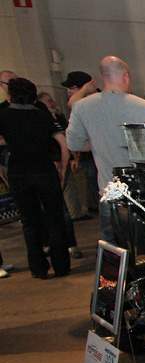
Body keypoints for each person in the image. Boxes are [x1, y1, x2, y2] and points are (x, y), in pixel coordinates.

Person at [66, 56, 145, 243]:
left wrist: (98, 143)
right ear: (126, 77)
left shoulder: (82, 107)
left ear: (102, 77)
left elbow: (74, 145)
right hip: (143, 190)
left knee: (114, 244)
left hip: (109, 189)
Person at [0, 78, 70, 279]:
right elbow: (63, 144)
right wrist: (63, 167)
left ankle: (38, 268)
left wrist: (2, 169)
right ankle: (61, 266)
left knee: (29, 222)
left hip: (18, 172)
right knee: (55, 220)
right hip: (45, 170)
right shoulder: (43, 115)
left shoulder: (3, 115)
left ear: (10, 95)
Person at [38, 92, 85, 259]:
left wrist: (65, 164)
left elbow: (66, 144)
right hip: (50, 169)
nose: (52, 103)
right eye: (48, 101)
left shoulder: (55, 119)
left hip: (55, 168)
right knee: (52, 211)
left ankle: (70, 245)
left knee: (63, 210)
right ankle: (51, 245)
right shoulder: (44, 120)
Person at [61, 71, 100, 211]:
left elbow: (72, 103)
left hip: (97, 156)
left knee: (104, 198)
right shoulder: (88, 103)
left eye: (71, 88)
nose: (69, 91)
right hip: (89, 155)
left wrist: (84, 90)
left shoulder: (93, 101)